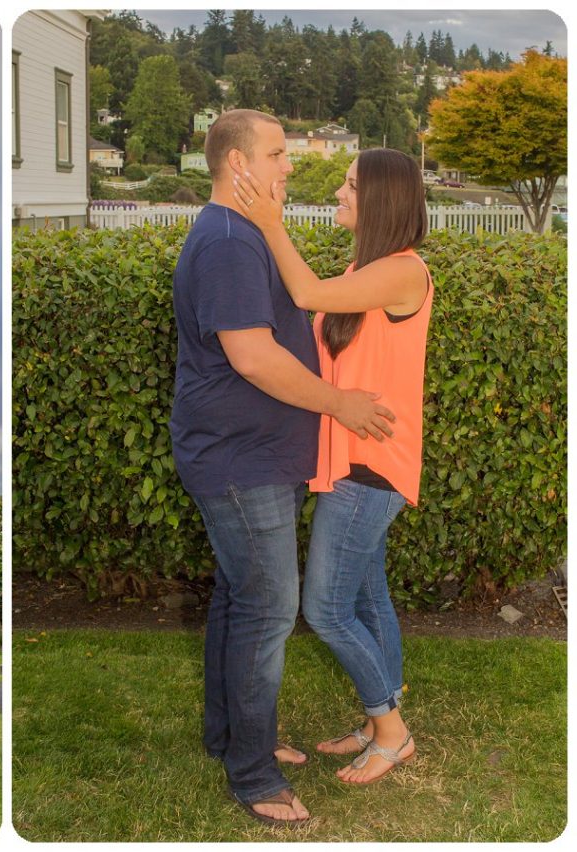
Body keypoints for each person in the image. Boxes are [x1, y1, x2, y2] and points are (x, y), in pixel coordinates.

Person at [169, 109, 396, 827]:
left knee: (240, 600)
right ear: (238, 165)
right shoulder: (230, 242)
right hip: (242, 462)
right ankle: (254, 774)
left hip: (244, 454)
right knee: (266, 609)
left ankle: (230, 738)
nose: (288, 167)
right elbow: (254, 357)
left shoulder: (238, 233)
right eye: (275, 154)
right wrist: (341, 405)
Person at [232, 147, 430, 784]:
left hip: (371, 467)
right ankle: (381, 721)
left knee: (325, 609)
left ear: (381, 201)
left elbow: (307, 291)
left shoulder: (403, 272)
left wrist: (268, 221)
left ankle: (391, 732)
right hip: (353, 461)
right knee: (369, 595)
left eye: (349, 186)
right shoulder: (366, 267)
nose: (339, 194)